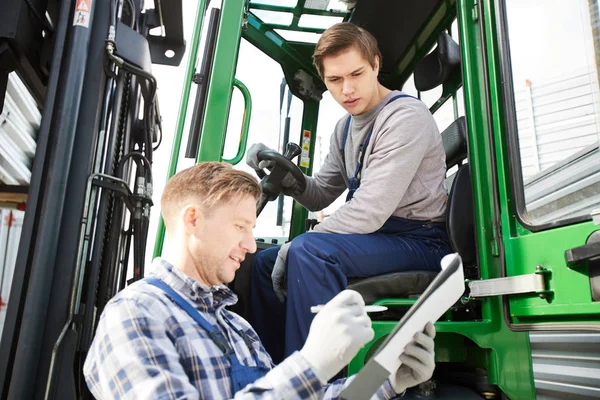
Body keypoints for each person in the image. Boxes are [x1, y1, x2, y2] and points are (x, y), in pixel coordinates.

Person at [83, 162, 437, 399]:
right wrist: (312, 364)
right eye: (240, 227)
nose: (250, 245)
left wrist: (386, 378)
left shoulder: (238, 329)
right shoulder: (135, 315)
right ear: (193, 219)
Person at [248, 22, 452, 363]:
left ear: (375, 64)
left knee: (309, 251)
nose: (347, 89)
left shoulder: (404, 118)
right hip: (378, 236)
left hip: (421, 240)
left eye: (356, 74)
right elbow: (319, 194)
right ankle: (273, 371)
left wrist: (296, 247)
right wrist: (287, 177)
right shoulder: (344, 129)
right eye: (335, 80)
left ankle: (314, 380)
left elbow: (368, 211)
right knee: (262, 263)